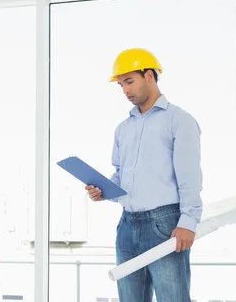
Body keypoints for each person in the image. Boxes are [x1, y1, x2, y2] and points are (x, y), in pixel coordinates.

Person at [85, 48, 203, 302]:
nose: (125, 90)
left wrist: (188, 223)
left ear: (149, 76)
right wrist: (103, 190)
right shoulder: (123, 129)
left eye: (129, 81)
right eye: (120, 85)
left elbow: (190, 177)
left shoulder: (179, 121)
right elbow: (120, 177)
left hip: (165, 225)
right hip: (127, 225)